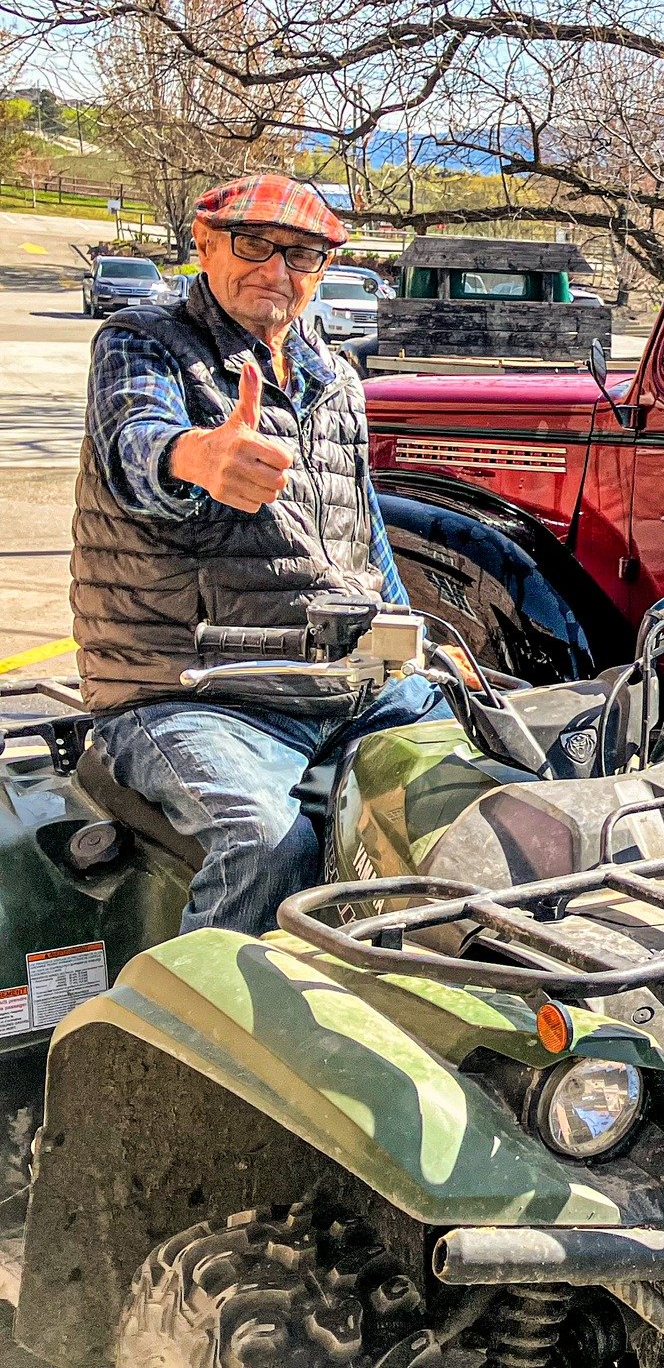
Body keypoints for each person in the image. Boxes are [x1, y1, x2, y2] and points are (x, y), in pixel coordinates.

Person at [70, 173, 443, 935]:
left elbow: (362, 533)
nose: (276, 271)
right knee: (266, 846)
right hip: (191, 689)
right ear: (205, 245)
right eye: (253, 245)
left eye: (302, 256)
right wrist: (197, 457)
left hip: (341, 683)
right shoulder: (144, 341)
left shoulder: (335, 377)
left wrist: (419, 639)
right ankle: (194, 1040)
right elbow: (135, 444)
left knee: (498, 790)